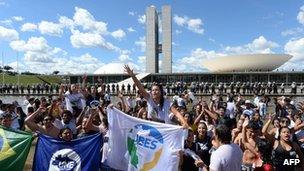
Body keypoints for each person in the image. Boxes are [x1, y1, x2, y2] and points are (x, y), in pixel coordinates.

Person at [124, 65, 189, 128]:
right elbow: (140, 88)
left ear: (161, 92)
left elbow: (177, 113)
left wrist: (184, 122)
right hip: (150, 126)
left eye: (156, 90)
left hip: (162, 127)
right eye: (153, 90)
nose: (154, 92)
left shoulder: (167, 102)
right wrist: (133, 76)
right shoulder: (149, 98)